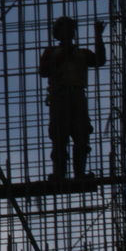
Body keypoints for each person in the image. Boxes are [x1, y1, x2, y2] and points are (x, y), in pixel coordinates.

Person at [39, 15, 106, 180]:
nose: (69, 31)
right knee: (59, 136)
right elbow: (43, 71)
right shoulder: (51, 52)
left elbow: (100, 60)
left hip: (77, 95)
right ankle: (59, 173)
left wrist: (98, 35)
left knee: (81, 135)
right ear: (58, 32)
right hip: (59, 96)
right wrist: (63, 54)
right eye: (64, 28)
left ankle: (79, 173)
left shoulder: (81, 53)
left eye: (71, 28)